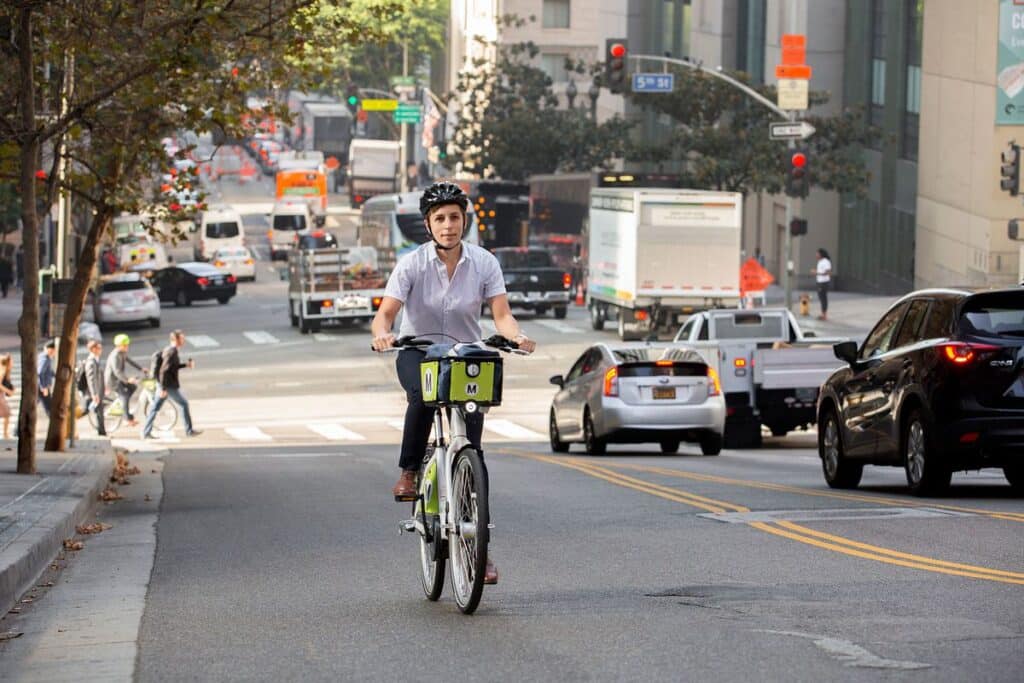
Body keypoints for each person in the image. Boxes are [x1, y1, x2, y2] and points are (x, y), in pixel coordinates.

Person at [370, 181, 537, 586]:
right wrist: (383, 334)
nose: (448, 225)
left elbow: (501, 314)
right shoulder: (411, 264)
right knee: (422, 398)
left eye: (455, 218)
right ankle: (410, 471)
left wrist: (515, 335)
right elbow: (385, 314)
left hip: (466, 355)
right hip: (418, 351)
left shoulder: (484, 263)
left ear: (465, 220)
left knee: (473, 454)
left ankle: (479, 545)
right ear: (428, 224)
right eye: (440, 218)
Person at [142, 329, 201, 438]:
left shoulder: (171, 350)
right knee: (184, 404)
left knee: (155, 408)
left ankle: (146, 432)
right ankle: (189, 431)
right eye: (182, 338)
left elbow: (172, 367)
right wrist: (164, 389)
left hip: (165, 385)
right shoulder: (171, 351)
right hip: (168, 386)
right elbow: (164, 370)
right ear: (176, 339)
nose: (184, 340)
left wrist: (185, 365)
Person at [105, 334, 144, 427]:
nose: (127, 347)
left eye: (127, 345)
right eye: (125, 345)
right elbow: (117, 371)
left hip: (119, 379)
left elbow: (130, 361)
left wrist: (141, 369)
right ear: (119, 345)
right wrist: (127, 380)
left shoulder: (122, 353)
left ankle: (125, 411)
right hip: (113, 381)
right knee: (125, 396)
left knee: (133, 387)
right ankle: (126, 419)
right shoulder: (115, 356)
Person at [83, 339, 106, 436]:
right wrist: (94, 394)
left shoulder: (96, 359)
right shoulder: (91, 362)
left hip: (99, 390)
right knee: (96, 411)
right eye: (99, 348)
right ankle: (101, 432)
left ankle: (102, 431)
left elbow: (100, 376)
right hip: (95, 392)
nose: (101, 350)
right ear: (93, 349)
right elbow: (91, 379)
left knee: (99, 411)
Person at [811, 247, 833, 321]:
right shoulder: (820, 261)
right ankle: (823, 313)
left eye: (817, 253)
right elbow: (822, 271)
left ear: (821, 254)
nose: (816, 255)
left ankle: (824, 315)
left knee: (823, 298)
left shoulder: (825, 261)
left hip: (824, 283)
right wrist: (816, 272)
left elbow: (828, 272)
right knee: (821, 298)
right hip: (820, 282)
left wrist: (817, 272)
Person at [37, 339, 56, 416]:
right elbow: (40, 372)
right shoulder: (45, 358)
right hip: (42, 387)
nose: (54, 352)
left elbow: (49, 371)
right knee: (49, 407)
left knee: (32, 405)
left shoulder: (45, 357)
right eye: (54, 350)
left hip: (40, 386)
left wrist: (55, 375)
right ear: (50, 349)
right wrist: (43, 387)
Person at [0, 354, 14, 439]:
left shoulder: (5, 371)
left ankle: (5, 434)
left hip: (1, 395)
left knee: (7, 414)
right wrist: (8, 391)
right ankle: (5, 434)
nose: (12, 364)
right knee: (7, 413)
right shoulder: (2, 371)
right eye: (11, 362)